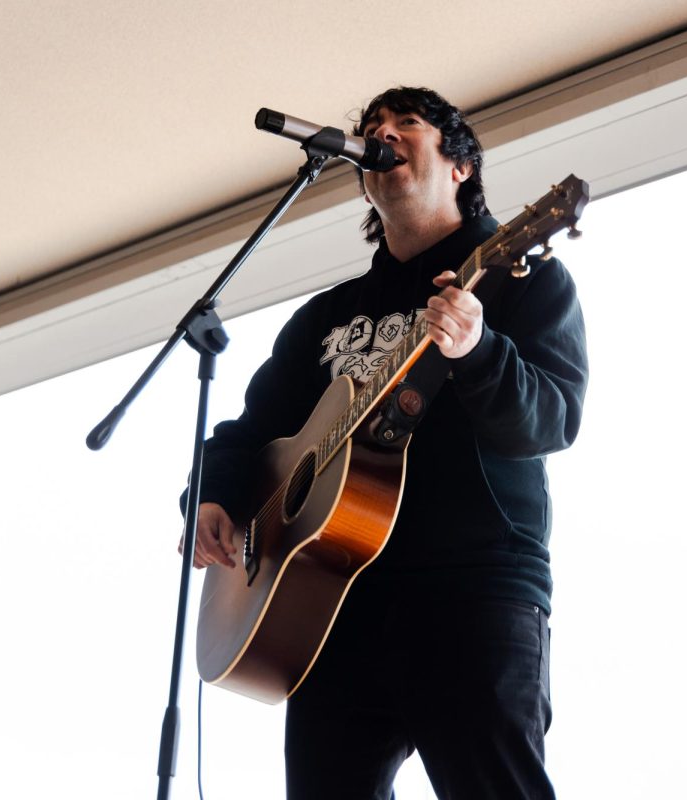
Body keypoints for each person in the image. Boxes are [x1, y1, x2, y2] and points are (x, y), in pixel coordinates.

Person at [181, 86, 588, 799]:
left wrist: (478, 349)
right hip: (332, 601)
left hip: (470, 590)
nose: (384, 135)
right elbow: (251, 433)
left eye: (408, 124)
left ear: (461, 167)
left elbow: (550, 420)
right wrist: (215, 496)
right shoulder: (325, 317)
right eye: (372, 129)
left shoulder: (521, 278)